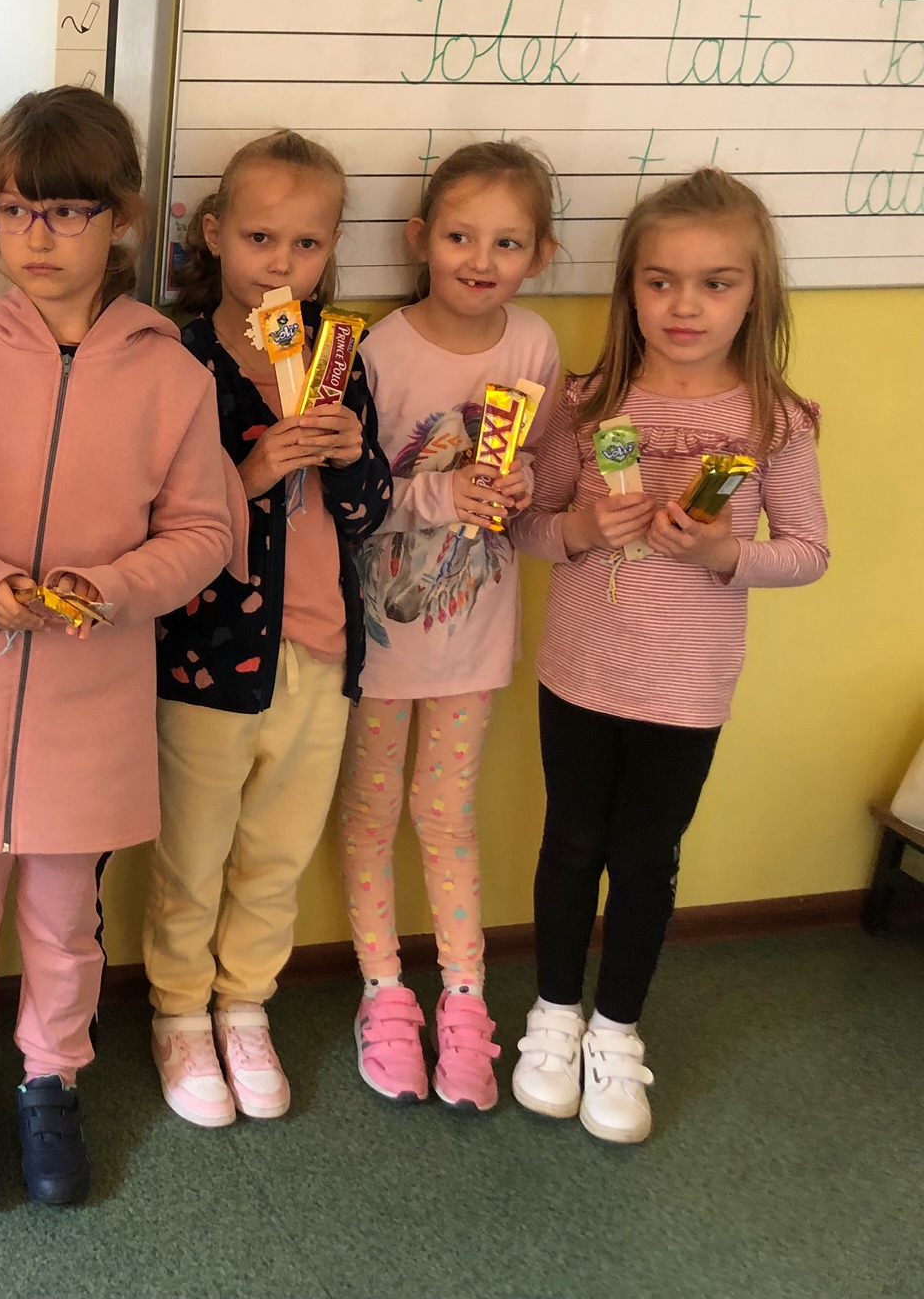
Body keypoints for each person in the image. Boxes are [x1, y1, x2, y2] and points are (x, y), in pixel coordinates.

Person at [0, 86, 238, 1207]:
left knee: (64, 923)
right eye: (16, 210)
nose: (39, 236)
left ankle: (51, 1080)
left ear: (121, 217)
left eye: (69, 211)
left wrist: (114, 588)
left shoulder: (173, 377)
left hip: (92, 710)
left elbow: (206, 531)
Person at [510, 167, 828, 1143]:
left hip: (686, 688)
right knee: (571, 843)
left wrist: (724, 553)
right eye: (661, 281)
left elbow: (809, 552)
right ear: (631, 288)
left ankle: (616, 1031)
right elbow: (528, 525)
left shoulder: (774, 422)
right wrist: (582, 530)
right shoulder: (589, 401)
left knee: (646, 859)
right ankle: (553, 1016)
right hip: (579, 671)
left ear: (754, 295)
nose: (685, 305)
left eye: (715, 283)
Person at [144, 129, 392, 1128]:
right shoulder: (179, 359)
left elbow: (368, 514)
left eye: (306, 245)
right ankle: (178, 1011)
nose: (281, 264)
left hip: (321, 651)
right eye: (259, 238)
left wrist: (351, 455)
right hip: (208, 658)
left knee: (277, 853)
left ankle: (245, 1003)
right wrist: (250, 474)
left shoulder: (339, 357)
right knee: (193, 853)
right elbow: (156, 520)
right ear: (214, 234)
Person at [337, 141, 563, 1111]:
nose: (482, 259)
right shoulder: (377, 351)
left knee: (446, 813)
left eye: (508, 242)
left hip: (474, 635)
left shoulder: (534, 346)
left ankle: (465, 998)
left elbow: (543, 468)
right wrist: (441, 492)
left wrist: (518, 487)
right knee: (371, 812)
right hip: (382, 638)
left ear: (540, 255)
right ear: (419, 238)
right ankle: (384, 992)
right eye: (462, 236)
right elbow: (352, 497)